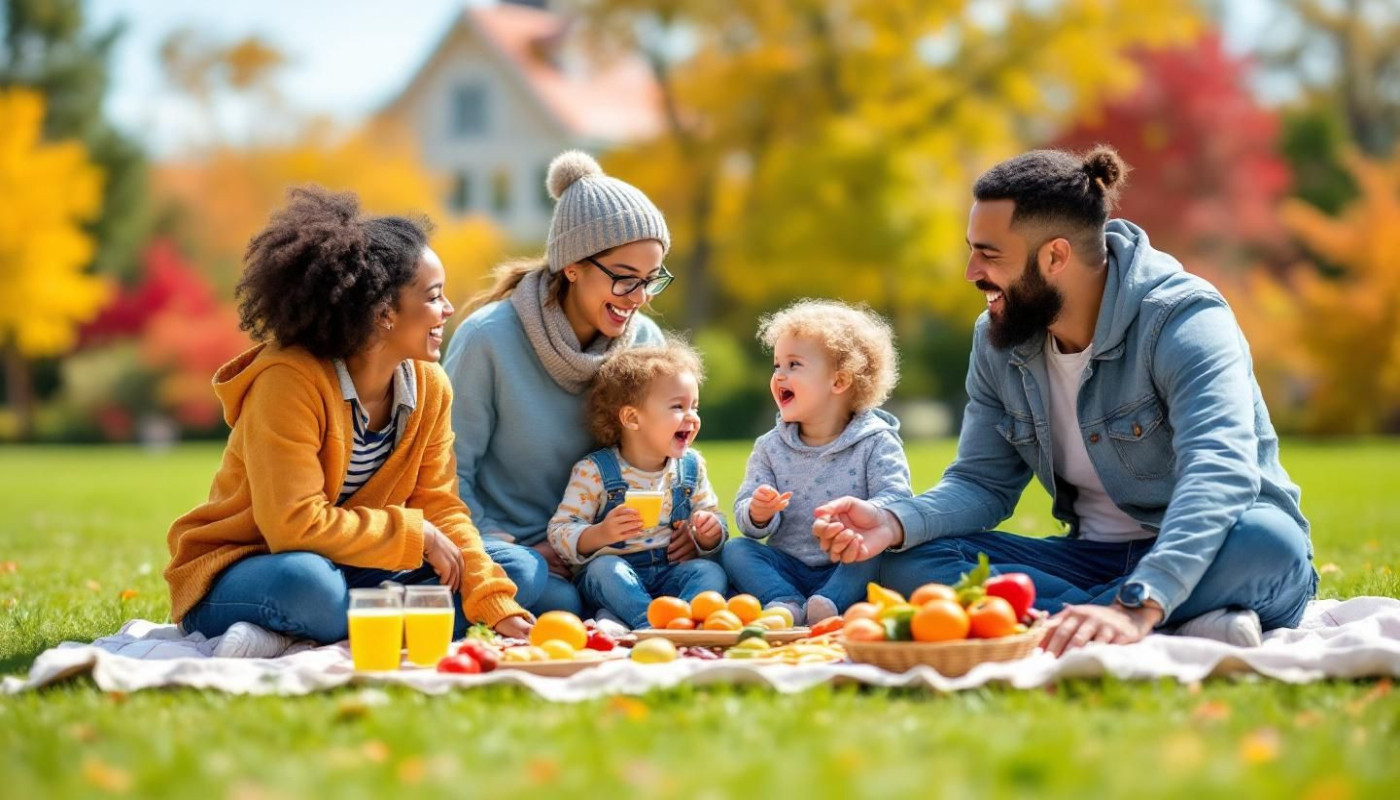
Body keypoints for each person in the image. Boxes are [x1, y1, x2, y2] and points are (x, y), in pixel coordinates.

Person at [812, 146, 1315, 656]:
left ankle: (1125, 617)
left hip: (1221, 547)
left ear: (1055, 256)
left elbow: (1219, 470)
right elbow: (980, 482)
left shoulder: (1184, 321)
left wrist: (1139, 600)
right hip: (1090, 559)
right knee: (908, 558)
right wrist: (896, 521)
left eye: (989, 254)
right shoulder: (997, 339)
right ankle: (1165, 622)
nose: (970, 272)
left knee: (1267, 543)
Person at [165, 187, 531, 658]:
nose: (448, 310)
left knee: (515, 569)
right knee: (308, 585)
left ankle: (299, 635)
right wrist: (414, 534)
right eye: (434, 296)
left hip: (356, 568)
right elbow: (292, 526)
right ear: (383, 313)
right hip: (253, 566)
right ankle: (327, 620)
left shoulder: (430, 386)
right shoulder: (288, 380)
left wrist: (491, 598)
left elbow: (440, 506)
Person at [442, 151, 694, 617]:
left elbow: (669, 452)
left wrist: (686, 526)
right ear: (572, 267)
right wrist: (506, 543)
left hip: (618, 553)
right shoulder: (487, 339)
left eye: (651, 280)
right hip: (519, 551)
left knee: (706, 576)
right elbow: (446, 471)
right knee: (549, 593)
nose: (638, 299)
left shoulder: (645, 344)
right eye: (624, 279)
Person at [722, 300, 911, 626]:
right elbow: (746, 520)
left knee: (878, 551)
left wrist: (865, 520)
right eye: (776, 365)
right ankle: (785, 600)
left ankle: (830, 603)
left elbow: (898, 502)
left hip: (848, 563)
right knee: (735, 551)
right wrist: (758, 511)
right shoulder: (769, 447)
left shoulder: (876, 442)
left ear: (839, 382)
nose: (779, 375)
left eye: (793, 365)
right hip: (786, 564)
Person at [547, 339, 728, 629]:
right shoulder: (595, 471)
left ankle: (678, 624)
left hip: (671, 573)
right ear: (632, 418)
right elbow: (560, 531)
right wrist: (599, 533)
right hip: (617, 574)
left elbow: (712, 515)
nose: (692, 417)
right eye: (678, 406)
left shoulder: (691, 466)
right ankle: (650, 624)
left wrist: (708, 532)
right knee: (605, 570)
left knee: (709, 572)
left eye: (695, 406)